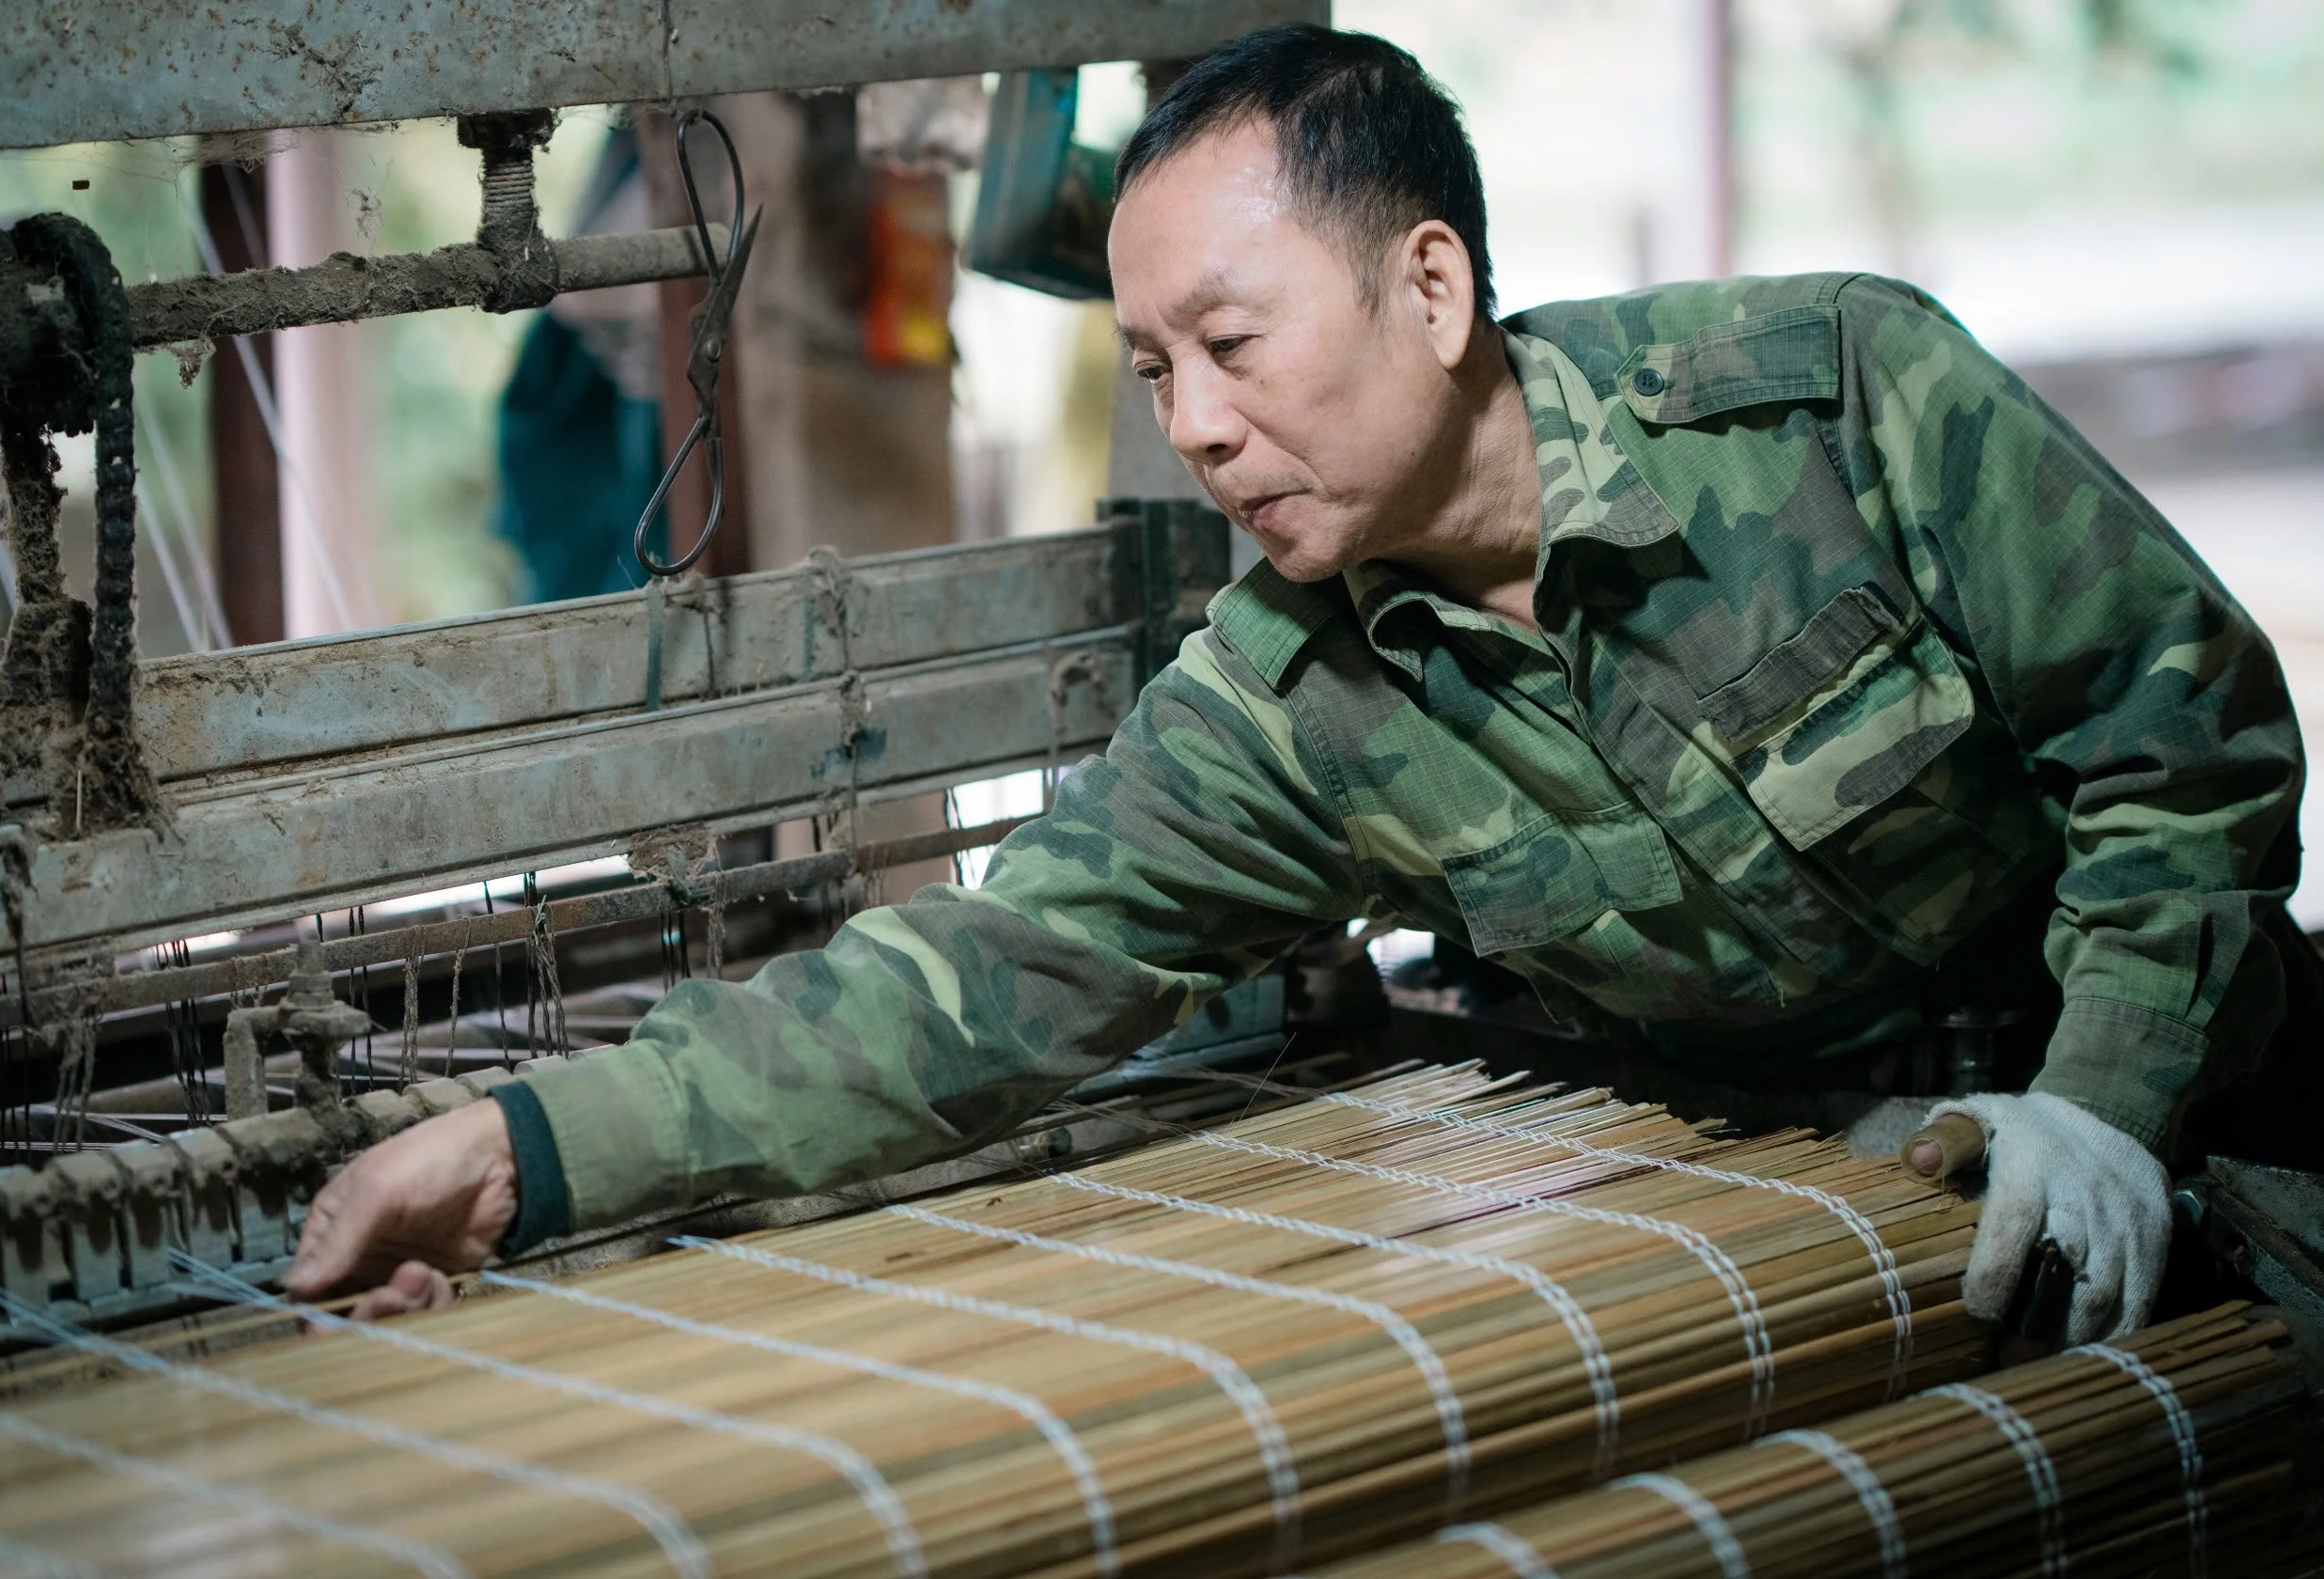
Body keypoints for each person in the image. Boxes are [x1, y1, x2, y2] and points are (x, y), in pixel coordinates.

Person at [289, 24, 2312, 1343]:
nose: (1192, 424)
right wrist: (522, 1150)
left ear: (1425, 287)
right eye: (1153, 368)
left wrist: (2101, 1099)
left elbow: (2176, 727)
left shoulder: (1832, 397)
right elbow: (964, 998)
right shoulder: (1281, 700)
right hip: (1836, 1236)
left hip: (2210, 1120)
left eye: (1231, 344)